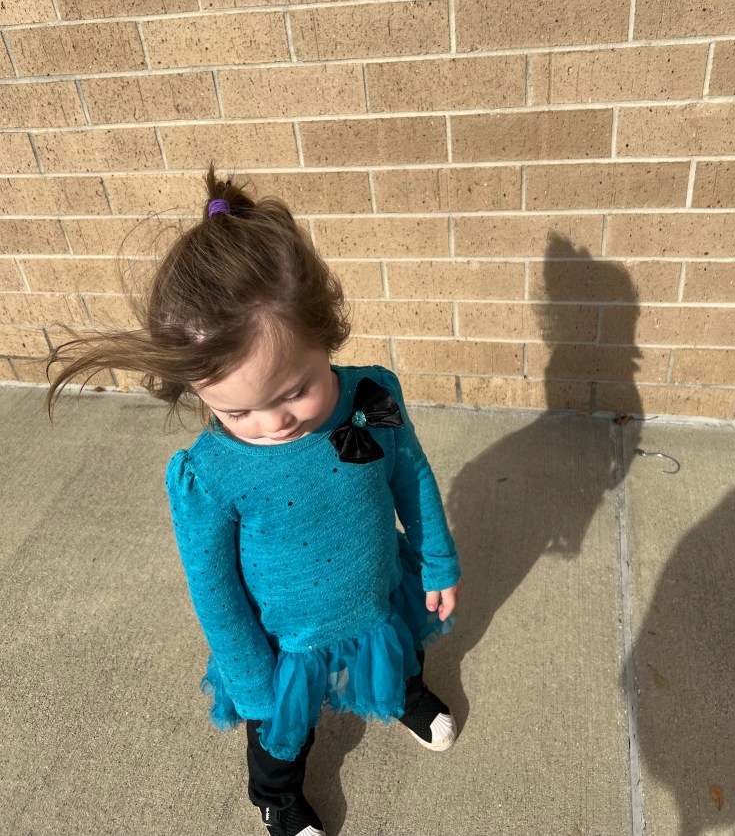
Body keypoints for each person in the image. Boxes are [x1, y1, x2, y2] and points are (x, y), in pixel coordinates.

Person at [45, 162, 462, 836]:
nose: (274, 423)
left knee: (403, 648)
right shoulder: (209, 475)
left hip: (377, 589)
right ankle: (275, 796)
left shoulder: (371, 397)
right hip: (286, 642)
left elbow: (409, 474)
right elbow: (214, 589)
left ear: (326, 332)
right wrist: (250, 678)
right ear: (199, 392)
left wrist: (437, 558)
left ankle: (405, 695)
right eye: (238, 411)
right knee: (281, 734)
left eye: (295, 390)